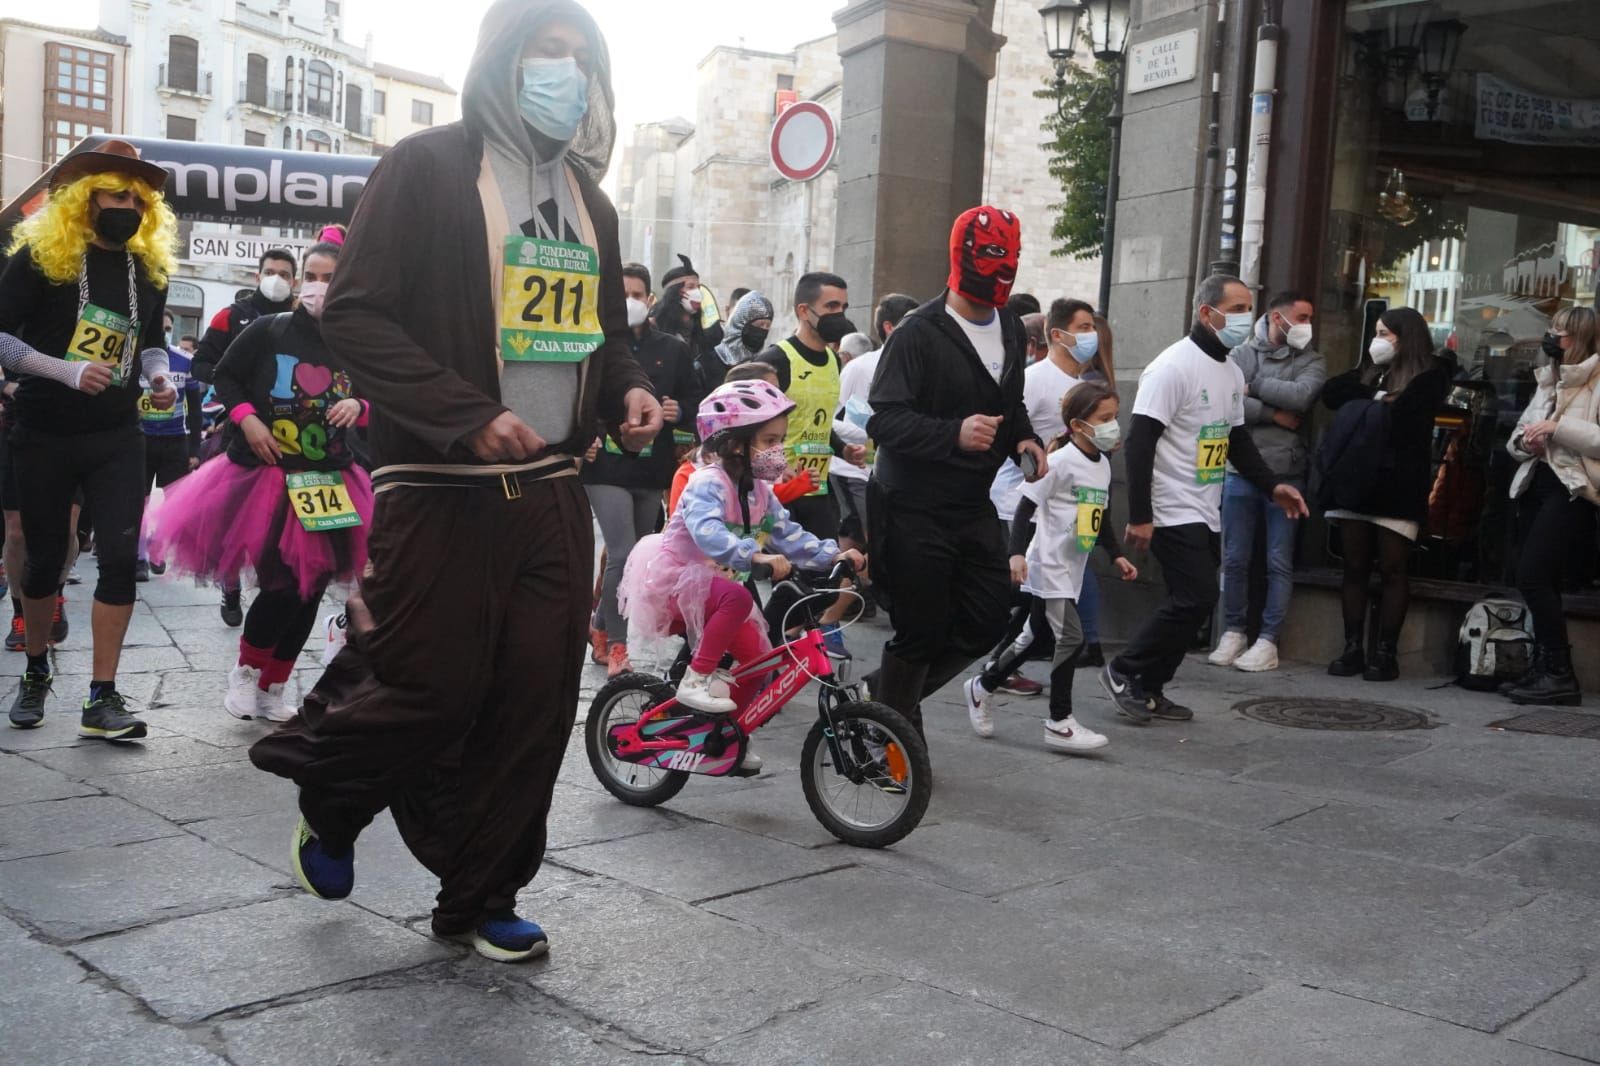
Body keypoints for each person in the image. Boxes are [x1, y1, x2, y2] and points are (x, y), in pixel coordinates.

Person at [248, 0, 661, 965]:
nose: (563, 72)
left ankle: (482, 894)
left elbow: (600, 340)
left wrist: (632, 390)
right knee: (431, 689)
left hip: (554, 489)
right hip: (439, 485)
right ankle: (335, 797)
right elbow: (356, 314)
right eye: (543, 51)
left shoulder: (592, 201)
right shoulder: (425, 167)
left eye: (580, 57)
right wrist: (465, 413)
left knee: (530, 702)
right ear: (500, 60)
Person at [145, 241, 370, 720]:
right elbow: (225, 376)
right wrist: (248, 419)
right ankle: (245, 673)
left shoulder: (359, 340)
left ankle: (274, 686)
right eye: (311, 275)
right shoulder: (270, 329)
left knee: (312, 586)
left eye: (330, 278)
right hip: (266, 479)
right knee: (283, 584)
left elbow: (381, 391)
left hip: (330, 479)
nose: (318, 287)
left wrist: (360, 405)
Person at [0, 139, 178, 737]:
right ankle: (35, 669)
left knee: (120, 559)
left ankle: (102, 697)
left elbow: (149, 339)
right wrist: (64, 369)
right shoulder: (41, 261)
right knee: (46, 560)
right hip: (45, 429)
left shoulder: (148, 271)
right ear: (85, 198)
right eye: (113, 193)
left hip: (118, 434)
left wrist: (158, 376)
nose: (125, 204)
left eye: (136, 196)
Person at [866, 205, 1048, 735]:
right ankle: (890, 734)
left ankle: (880, 700)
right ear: (961, 255)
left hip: (972, 505)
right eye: (993, 254)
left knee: (989, 616)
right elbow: (885, 420)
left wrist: (1024, 442)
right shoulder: (917, 333)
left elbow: (1010, 405)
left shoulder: (1012, 327)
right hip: (911, 505)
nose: (1004, 265)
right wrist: (953, 433)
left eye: (1012, 255)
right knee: (918, 631)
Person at [1100, 275, 1308, 724]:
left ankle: (1150, 688)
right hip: (1170, 505)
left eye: (1247, 308)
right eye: (1234, 308)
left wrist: (1272, 485)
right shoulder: (1173, 366)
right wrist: (1140, 515)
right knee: (1195, 597)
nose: (1243, 318)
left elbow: (1236, 440)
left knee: (1192, 601)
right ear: (1206, 313)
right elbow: (1140, 443)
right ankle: (1124, 670)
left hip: (1205, 504)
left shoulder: (1232, 371)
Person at [619, 380, 861, 750]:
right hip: (679, 582)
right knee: (737, 597)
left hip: (721, 590)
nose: (778, 451)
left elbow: (789, 535)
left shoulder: (761, 492)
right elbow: (708, 533)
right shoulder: (707, 483)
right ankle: (695, 679)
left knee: (760, 664)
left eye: (780, 440)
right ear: (734, 444)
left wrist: (834, 554)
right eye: (768, 441)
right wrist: (755, 555)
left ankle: (726, 737)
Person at [967, 383, 1134, 749]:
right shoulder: (1059, 462)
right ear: (1077, 424)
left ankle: (983, 685)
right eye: (1104, 419)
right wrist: (1016, 554)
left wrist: (1116, 554)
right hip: (1049, 564)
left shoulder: (1102, 464)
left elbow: (1099, 515)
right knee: (1070, 637)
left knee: (1032, 637)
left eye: (1114, 418)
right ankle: (1059, 721)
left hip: (1073, 566)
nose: (1113, 426)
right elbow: (1026, 505)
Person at [1319, 306, 1451, 682]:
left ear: (1405, 337)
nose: (1377, 341)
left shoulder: (1431, 374)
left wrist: (1371, 401)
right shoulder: (1370, 369)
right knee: (1355, 566)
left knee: (1393, 568)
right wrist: (1378, 398)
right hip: (1355, 483)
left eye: (1385, 334)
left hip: (1397, 486)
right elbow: (1331, 393)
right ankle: (1352, 648)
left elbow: (1408, 415)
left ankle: (1386, 652)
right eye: (1376, 333)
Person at [981, 297, 1103, 688]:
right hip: (1016, 500)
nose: (1091, 336)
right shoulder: (1035, 379)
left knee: (1036, 598)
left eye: (1092, 327)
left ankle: (1001, 665)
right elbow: (1005, 429)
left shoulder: (1083, 385)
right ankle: (999, 663)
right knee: (1024, 592)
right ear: (1056, 334)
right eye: (1083, 327)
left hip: (1059, 511)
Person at [585, 260, 697, 676]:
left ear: (649, 300)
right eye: (621, 295)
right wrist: (589, 434)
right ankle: (618, 646)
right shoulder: (595, 343)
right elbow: (583, 398)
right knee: (623, 553)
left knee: (639, 556)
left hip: (653, 467)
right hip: (606, 466)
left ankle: (597, 625)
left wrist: (679, 409)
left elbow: (695, 399)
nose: (629, 302)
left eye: (636, 295)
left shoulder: (673, 348)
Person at [1209, 290, 1326, 673]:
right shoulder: (1242, 354)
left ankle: (1268, 640)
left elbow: (1302, 396)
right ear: (1279, 318)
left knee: (1278, 560)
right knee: (1235, 558)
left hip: (1285, 473)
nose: (1308, 326)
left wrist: (1254, 388)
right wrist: (1273, 415)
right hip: (1241, 471)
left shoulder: (1313, 361)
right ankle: (1234, 631)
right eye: (1303, 317)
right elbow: (1225, 400)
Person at [195, 246, 298, 626]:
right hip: (240, 430)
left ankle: (271, 587)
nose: (277, 279)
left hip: (293, 438)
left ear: (294, 280)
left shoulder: (302, 319)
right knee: (233, 516)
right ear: (257, 276)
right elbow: (202, 363)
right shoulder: (231, 316)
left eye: (285, 274)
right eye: (271, 271)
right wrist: (236, 391)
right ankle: (231, 582)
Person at [1503, 307, 1600, 705]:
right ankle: (1547, 668)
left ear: (1577, 337)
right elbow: (1516, 438)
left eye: (1558, 331)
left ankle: (1559, 671)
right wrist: (1527, 442)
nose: (1550, 337)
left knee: (1534, 575)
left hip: (1573, 489)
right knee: (1538, 578)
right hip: (1536, 484)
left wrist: (1558, 428)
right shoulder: (1548, 379)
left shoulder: (1594, 381)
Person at [135, 310, 205, 582]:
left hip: (176, 441)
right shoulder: (133, 361)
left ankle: (158, 546)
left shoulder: (184, 361)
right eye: (158, 327)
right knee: (138, 503)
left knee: (175, 504)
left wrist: (195, 450)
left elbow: (197, 410)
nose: (162, 332)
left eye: (166, 328)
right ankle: (138, 558)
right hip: (140, 440)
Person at [701, 289, 774, 391]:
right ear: (741, 322)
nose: (764, 330)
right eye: (760, 324)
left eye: (768, 326)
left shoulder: (762, 365)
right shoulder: (705, 364)